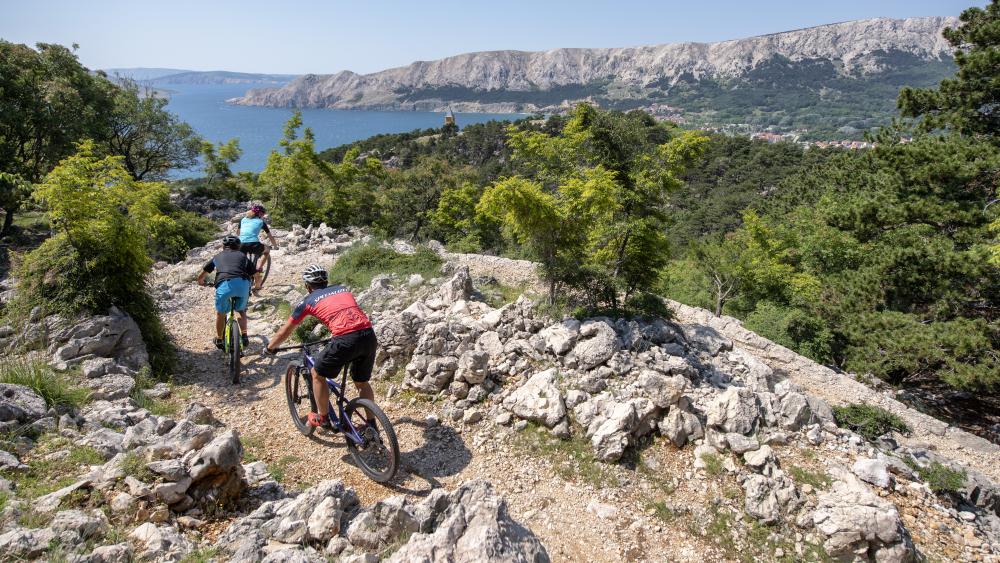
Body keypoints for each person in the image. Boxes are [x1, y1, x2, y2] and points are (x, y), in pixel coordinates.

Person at [264, 265, 378, 428]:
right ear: (326, 281)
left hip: (345, 339)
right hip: (368, 335)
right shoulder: (342, 289)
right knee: (361, 382)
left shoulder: (307, 301)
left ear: (307, 286)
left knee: (316, 374)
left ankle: (324, 418)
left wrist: (270, 347)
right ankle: (371, 423)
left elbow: (285, 330)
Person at [197, 235, 256, 350]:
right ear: (238, 247)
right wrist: (257, 286)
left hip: (225, 285)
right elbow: (256, 275)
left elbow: (203, 273)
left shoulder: (217, 256)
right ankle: (244, 335)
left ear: (223, 246)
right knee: (241, 310)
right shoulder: (242, 256)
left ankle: (219, 339)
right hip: (242, 285)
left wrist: (200, 281)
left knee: (221, 313)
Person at [237, 203, 278, 291]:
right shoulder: (261, 222)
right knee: (266, 250)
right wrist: (275, 246)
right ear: (259, 214)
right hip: (253, 243)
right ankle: (258, 267)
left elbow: (238, 233)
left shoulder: (243, 219)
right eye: (262, 214)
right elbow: (270, 236)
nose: (263, 216)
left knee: (241, 260)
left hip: (240, 243)